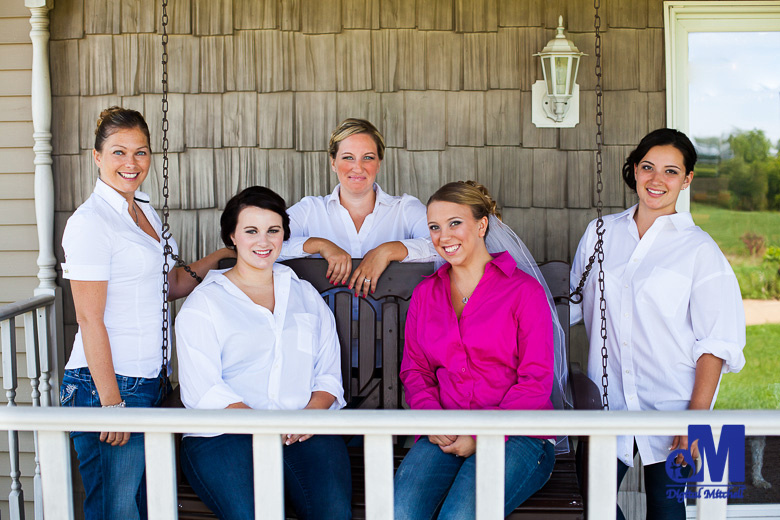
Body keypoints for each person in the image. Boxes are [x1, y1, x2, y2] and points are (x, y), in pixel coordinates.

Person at [59, 106, 233, 520]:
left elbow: (169, 285)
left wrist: (226, 255)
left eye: (140, 152)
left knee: (145, 506)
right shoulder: (91, 223)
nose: (131, 163)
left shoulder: (145, 212)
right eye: (119, 152)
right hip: (106, 384)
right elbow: (88, 318)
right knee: (115, 511)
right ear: (97, 156)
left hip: (149, 382)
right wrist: (110, 404)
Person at [570, 128, 746, 520]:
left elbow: (717, 341)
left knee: (668, 509)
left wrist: (695, 419)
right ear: (634, 169)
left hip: (674, 403)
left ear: (687, 180)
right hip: (608, 398)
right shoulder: (600, 234)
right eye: (648, 167)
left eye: (671, 171)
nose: (656, 180)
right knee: (592, 502)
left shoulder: (699, 249)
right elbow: (573, 307)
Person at [175, 186, 352, 520]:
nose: (264, 241)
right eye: (251, 231)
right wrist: (263, 426)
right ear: (233, 236)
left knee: (333, 514)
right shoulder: (207, 302)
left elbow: (328, 374)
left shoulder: (304, 295)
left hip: (304, 428)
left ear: (284, 235)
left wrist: (309, 415)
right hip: (224, 435)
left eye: (273, 231)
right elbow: (204, 388)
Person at [394, 181, 565, 520]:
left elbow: (536, 379)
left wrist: (481, 435)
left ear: (482, 224)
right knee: (400, 511)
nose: (444, 236)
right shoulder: (426, 294)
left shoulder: (522, 291)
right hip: (446, 425)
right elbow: (415, 371)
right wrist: (432, 418)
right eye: (434, 227)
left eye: (455, 223)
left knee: (460, 516)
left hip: (519, 434)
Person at [281, 118, 436, 297]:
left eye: (368, 158)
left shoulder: (404, 209)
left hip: (391, 323)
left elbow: (444, 245)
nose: (358, 168)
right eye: (348, 157)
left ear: (379, 163)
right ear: (333, 162)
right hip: (323, 323)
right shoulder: (310, 209)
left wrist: (388, 250)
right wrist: (319, 244)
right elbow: (267, 245)